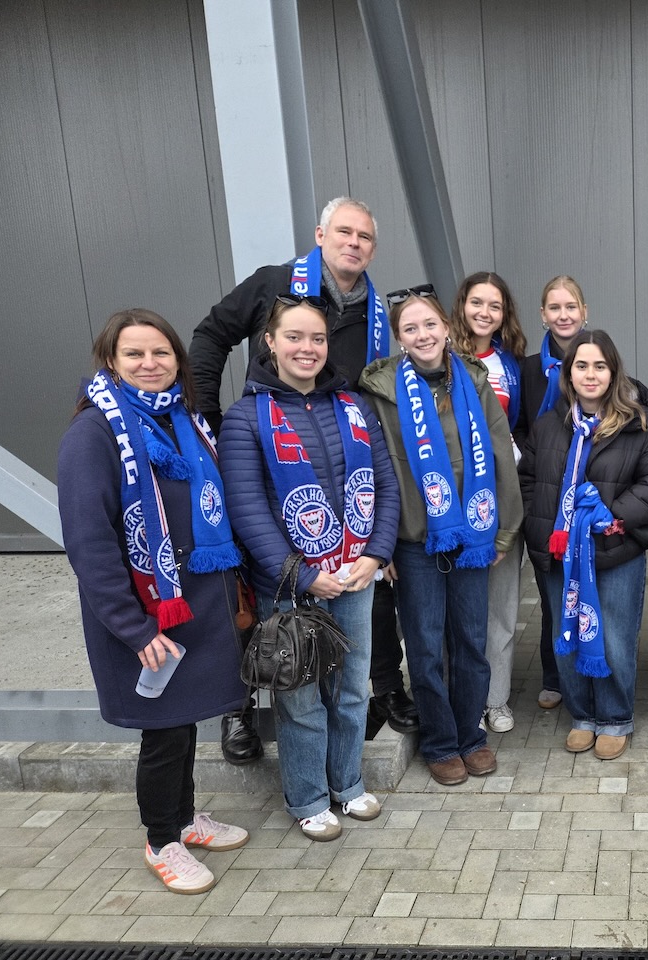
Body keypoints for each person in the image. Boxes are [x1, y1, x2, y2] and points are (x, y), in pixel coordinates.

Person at [189, 197, 417, 758]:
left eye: (365, 236)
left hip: (344, 459)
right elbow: (212, 333)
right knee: (260, 586)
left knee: (365, 583)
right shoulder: (273, 283)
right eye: (344, 232)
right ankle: (240, 709)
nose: (354, 243)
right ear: (320, 234)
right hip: (274, 452)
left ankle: (381, 688)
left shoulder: (376, 313)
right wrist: (210, 419)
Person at [59, 309, 251, 894]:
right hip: (147, 616)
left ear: (177, 361)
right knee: (163, 731)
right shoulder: (94, 433)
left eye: (160, 354)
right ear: (111, 362)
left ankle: (185, 818)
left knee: (185, 718)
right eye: (135, 355)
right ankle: (161, 839)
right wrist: (134, 627)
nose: (150, 364)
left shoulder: (182, 421)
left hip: (195, 607)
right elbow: (90, 542)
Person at [219, 294, 399, 840]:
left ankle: (347, 785)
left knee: (349, 689)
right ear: (269, 343)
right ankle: (308, 798)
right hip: (289, 587)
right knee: (299, 696)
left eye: (317, 338)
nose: (307, 348)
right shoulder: (245, 417)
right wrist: (299, 575)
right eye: (294, 337)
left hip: (353, 576)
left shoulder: (353, 406)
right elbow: (248, 510)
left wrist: (376, 553)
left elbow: (386, 484)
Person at [358, 286, 522, 786]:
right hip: (414, 542)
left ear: (446, 327)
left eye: (429, 324)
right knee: (426, 648)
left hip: (473, 536)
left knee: (471, 642)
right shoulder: (381, 390)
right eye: (410, 329)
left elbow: (500, 458)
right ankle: (440, 741)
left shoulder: (473, 379)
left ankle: (471, 736)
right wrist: (379, 544)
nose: (423, 335)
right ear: (399, 338)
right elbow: (375, 469)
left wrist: (502, 532)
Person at [519, 330, 648, 759]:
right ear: (569, 373)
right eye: (581, 365)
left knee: (614, 638)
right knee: (564, 634)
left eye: (599, 366)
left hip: (615, 552)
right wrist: (541, 527)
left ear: (613, 371)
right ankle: (582, 714)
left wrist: (612, 514)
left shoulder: (638, 425)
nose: (590, 374)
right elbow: (528, 479)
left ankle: (614, 717)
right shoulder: (550, 425)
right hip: (561, 556)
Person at [450, 271, 527, 734]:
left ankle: (495, 699)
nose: (484, 313)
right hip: (453, 502)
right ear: (461, 306)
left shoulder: (510, 365)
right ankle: (462, 697)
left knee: (502, 606)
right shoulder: (440, 359)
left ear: (504, 315)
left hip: (499, 499)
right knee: (458, 609)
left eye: (494, 306)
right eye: (476, 303)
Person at [518, 276, 591, 710]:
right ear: (542, 314)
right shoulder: (528, 368)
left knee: (586, 586)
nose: (563, 315)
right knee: (550, 590)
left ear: (585, 311)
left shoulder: (597, 355)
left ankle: (589, 667)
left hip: (586, 490)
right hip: (545, 492)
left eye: (571, 306)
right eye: (554, 307)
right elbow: (519, 425)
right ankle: (553, 674)